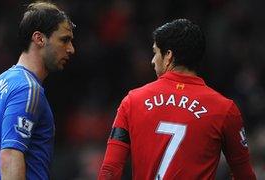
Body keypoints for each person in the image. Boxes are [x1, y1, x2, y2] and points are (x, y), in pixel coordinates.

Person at [98, 19, 256, 180]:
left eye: (155, 52)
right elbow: (244, 175)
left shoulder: (132, 101)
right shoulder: (224, 109)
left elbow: (110, 171)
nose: (152, 61)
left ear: (168, 56)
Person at [0, 2, 75, 179]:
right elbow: (10, 155)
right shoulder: (27, 89)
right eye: (64, 40)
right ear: (39, 38)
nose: (71, 49)